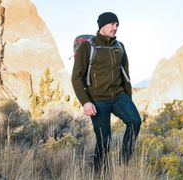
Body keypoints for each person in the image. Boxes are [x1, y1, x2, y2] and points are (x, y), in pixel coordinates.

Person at [71, 12, 141, 171]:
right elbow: (76, 77)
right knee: (104, 141)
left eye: (117, 25)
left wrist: (128, 99)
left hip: (118, 96)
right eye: (112, 24)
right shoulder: (87, 47)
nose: (115, 28)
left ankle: (123, 164)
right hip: (97, 100)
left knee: (135, 122)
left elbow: (125, 76)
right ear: (102, 25)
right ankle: (98, 173)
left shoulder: (119, 47)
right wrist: (85, 101)